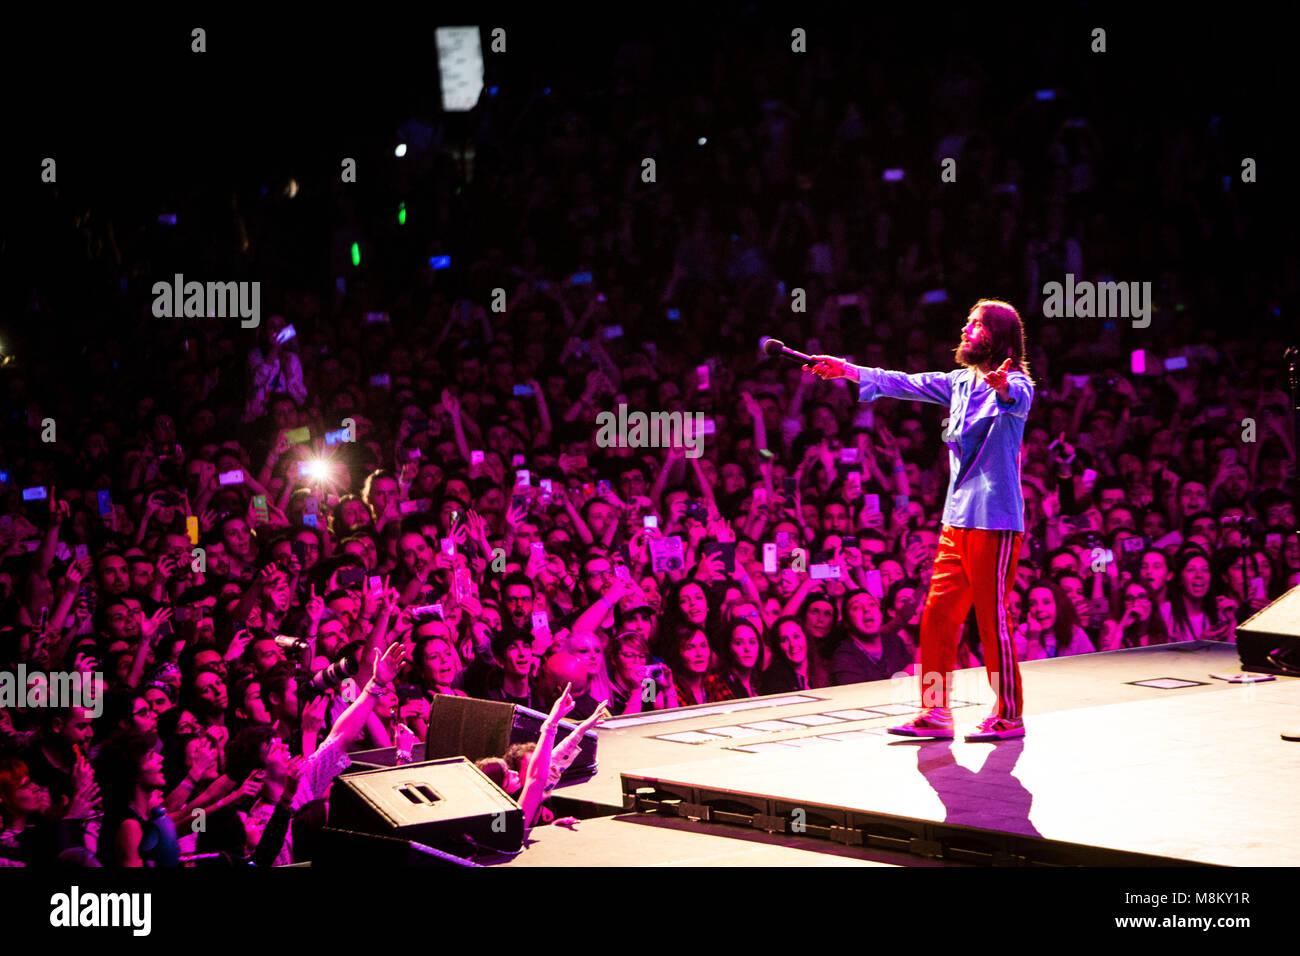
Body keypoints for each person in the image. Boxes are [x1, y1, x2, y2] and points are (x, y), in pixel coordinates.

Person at [806, 299, 1033, 741]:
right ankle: (935, 711)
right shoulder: (959, 383)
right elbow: (902, 382)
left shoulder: (1018, 383)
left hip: (996, 521)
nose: (966, 330)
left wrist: (1004, 388)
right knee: (936, 618)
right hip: (957, 521)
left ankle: (1009, 714)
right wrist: (846, 369)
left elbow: (1017, 397)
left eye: (977, 325)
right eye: (968, 322)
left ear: (998, 336)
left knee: (992, 622)